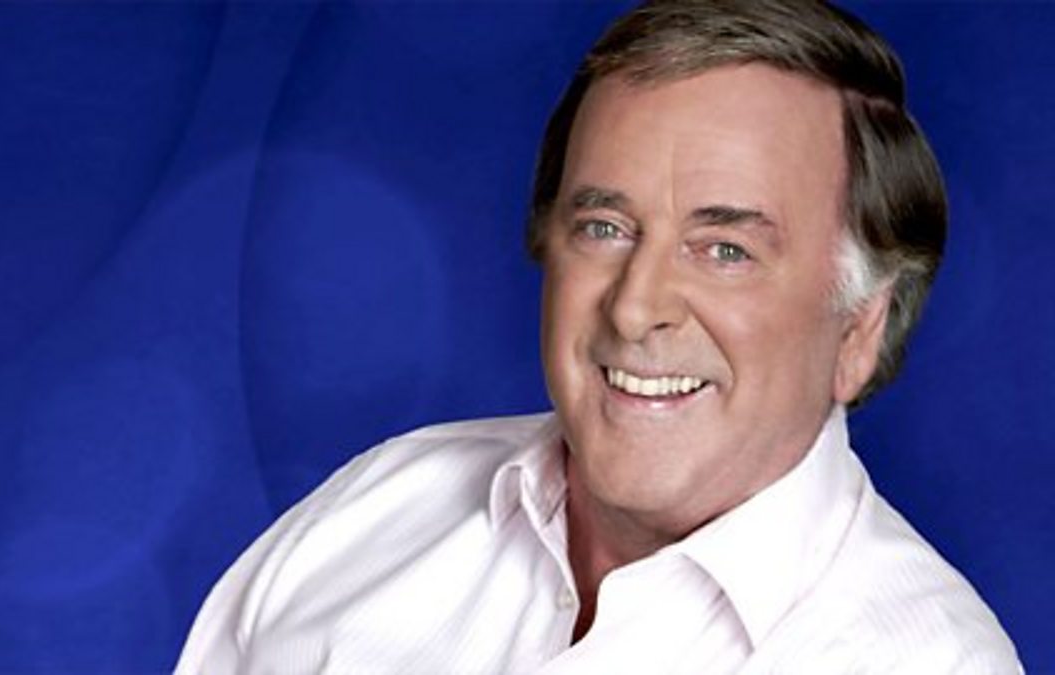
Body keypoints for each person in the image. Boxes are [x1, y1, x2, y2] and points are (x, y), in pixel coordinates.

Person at [177, 1, 1021, 672]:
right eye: (605, 228)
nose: (635, 307)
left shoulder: (927, 659)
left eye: (725, 249)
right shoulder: (377, 511)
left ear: (860, 329)